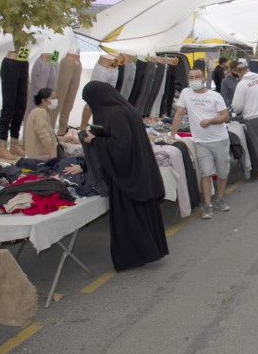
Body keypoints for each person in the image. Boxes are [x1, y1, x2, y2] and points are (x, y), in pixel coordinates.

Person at [81, 81, 169, 271]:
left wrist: (94, 140)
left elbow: (121, 148)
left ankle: (134, 257)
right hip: (138, 171)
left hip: (128, 175)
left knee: (130, 218)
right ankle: (149, 251)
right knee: (142, 216)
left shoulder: (113, 114)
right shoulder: (125, 110)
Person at [170, 68, 231, 219]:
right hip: (201, 142)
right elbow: (179, 114)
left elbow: (225, 116)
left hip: (220, 139)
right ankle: (208, 205)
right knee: (206, 174)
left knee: (223, 173)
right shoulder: (185, 93)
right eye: (191, 77)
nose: (194, 79)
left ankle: (221, 199)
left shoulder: (215, 96)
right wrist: (172, 135)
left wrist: (211, 121)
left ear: (204, 79)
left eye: (197, 77)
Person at [232, 63, 258, 179]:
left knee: (257, 145)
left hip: (252, 117)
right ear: (248, 69)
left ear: (239, 73)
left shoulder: (242, 84)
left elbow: (237, 106)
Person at [23, 88, 60, 161]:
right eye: (53, 98)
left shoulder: (39, 112)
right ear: (43, 101)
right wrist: (53, 157)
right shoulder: (40, 112)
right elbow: (44, 136)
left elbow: (49, 136)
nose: (55, 101)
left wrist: (67, 139)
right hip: (41, 158)